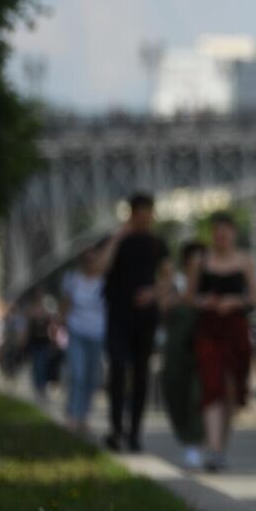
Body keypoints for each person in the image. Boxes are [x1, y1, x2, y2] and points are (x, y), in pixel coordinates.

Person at [103, 192, 170, 453]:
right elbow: (101, 267)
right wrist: (118, 237)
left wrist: (153, 292)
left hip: (145, 317)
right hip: (118, 313)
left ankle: (134, 432)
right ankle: (116, 428)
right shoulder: (117, 240)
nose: (146, 219)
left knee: (141, 373)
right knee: (118, 367)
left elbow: (167, 276)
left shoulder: (157, 243)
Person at [192, 212, 256, 471]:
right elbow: (190, 296)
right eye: (217, 233)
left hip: (235, 329)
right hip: (209, 329)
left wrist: (235, 302)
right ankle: (213, 447)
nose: (221, 237)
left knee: (231, 387)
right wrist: (204, 302)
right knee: (211, 385)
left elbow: (254, 298)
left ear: (233, 234)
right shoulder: (202, 261)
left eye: (225, 232)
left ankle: (220, 446)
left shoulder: (245, 262)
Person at [161, 241, 210, 468]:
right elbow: (163, 305)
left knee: (196, 394)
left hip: (201, 346)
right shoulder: (175, 281)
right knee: (176, 391)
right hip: (177, 348)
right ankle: (186, 436)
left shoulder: (208, 282)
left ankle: (195, 440)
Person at [59, 241, 110, 436]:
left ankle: (85, 415)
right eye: (86, 259)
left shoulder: (103, 282)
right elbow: (65, 305)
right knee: (77, 374)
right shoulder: (73, 279)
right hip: (77, 332)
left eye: (93, 259)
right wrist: (61, 325)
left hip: (98, 334)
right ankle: (73, 414)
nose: (90, 263)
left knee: (92, 376)